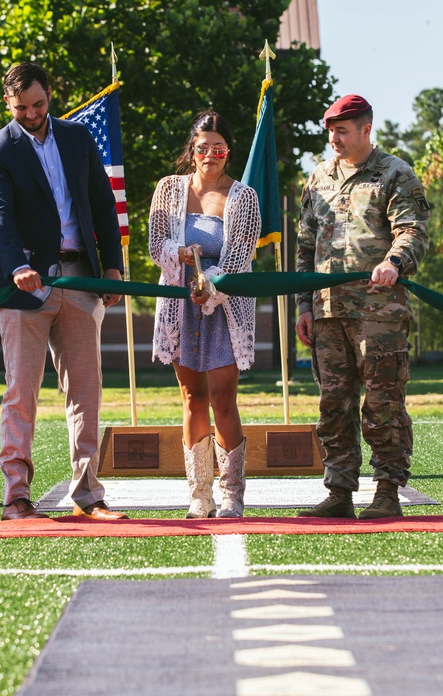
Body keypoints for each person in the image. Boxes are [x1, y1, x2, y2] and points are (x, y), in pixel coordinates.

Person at [0, 62, 128, 521]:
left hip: (81, 280)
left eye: (38, 104)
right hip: (25, 288)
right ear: (8, 103)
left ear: (50, 96)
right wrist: (19, 265)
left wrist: (114, 268)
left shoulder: (79, 138)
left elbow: (103, 205)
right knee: (21, 392)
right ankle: (17, 498)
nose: (31, 113)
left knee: (86, 391)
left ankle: (88, 496)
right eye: (21, 107)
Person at [294, 95, 431, 520]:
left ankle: (388, 490)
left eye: (343, 130)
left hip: (378, 313)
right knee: (333, 404)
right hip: (328, 312)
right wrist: (303, 305)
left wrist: (394, 261)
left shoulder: (395, 174)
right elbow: (305, 247)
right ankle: (339, 491)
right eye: (330, 130)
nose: (334, 138)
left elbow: (413, 231)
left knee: (382, 403)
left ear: (366, 129)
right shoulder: (318, 178)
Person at [149, 111, 261, 518]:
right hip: (180, 308)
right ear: (191, 151)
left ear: (228, 152)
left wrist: (208, 286)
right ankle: (199, 494)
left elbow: (238, 257)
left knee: (222, 400)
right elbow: (155, 245)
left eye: (219, 148)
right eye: (202, 148)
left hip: (224, 307)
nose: (210, 155)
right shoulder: (167, 189)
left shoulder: (243, 197)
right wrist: (175, 254)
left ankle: (232, 493)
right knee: (192, 398)